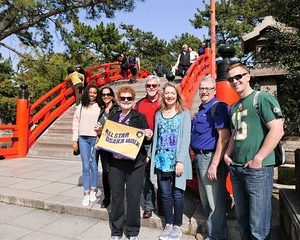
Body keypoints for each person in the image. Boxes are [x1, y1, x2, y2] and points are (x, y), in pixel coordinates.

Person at [224, 63, 284, 240]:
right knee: (242, 221)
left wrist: (259, 158)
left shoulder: (262, 98)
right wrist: (228, 154)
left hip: (258, 169)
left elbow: (277, 129)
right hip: (238, 167)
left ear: (248, 76)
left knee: (258, 223)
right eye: (231, 79)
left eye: (239, 76)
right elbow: (235, 133)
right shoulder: (235, 106)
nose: (235, 81)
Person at [106, 86, 153, 240]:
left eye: (129, 98)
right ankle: (116, 231)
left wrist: (148, 135)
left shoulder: (139, 117)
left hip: (135, 164)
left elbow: (147, 139)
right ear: (118, 100)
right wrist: (99, 131)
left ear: (133, 100)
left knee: (133, 198)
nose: (126, 101)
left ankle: (132, 231)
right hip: (116, 163)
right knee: (117, 197)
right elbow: (107, 139)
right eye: (123, 98)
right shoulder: (112, 117)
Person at [150, 82, 192, 240]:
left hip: (177, 161)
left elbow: (186, 138)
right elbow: (157, 138)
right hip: (162, 161)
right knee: (165, 194)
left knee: (178, 194)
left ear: (177, 95)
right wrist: (152, 156)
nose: (169, 96)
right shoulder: (159, 114)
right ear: (163, 95)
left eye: (172, 93)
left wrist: (180, 160)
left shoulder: (184, 113)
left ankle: (177, 225)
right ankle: (168, 224)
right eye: (167, 93)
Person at [191, 76, 230, 240]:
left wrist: (214, 164)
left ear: (214, 90)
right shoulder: (202, 108)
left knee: (214, 201)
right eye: (201, 88)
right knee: (206, 200)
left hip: (210, 158)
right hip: (200, 158)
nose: (204, 91)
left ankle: (217, 236)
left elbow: (224, 137)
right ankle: (211, 231)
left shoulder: (218, 107)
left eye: (208, 88)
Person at [135, 75, 162, 219]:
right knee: (147, 178)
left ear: (158, 87)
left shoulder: (165, 102)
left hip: (162, 144)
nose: (151, 88)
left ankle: (163, 206)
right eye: (148, 85)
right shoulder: (139, 104)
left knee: (163, 177)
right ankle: (149, 206)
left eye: (154, 85)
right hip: (145, 145)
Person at [72, 83, 101, 207]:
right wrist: (74, 140)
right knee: (85, 165)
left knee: (94, 165)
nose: (92, 95)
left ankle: (94, 189)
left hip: (95, 138)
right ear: (86, 93)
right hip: (83, 138)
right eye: (90, 92)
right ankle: (86, 193)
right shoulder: (81, 106)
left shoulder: (100, 106)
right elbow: (75, 122)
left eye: (94, 93)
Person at [95, 86, 119, 208]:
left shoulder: (118, 110)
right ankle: (107, 197)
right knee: (106, 171)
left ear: (112, 95)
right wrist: (98, 131)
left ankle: (117, 196)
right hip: (104, 146)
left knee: (115, 172)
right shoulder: (101, 110)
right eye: (103, 95)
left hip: (115, 145)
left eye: (108, 94)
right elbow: (99, 130)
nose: (106, 96)